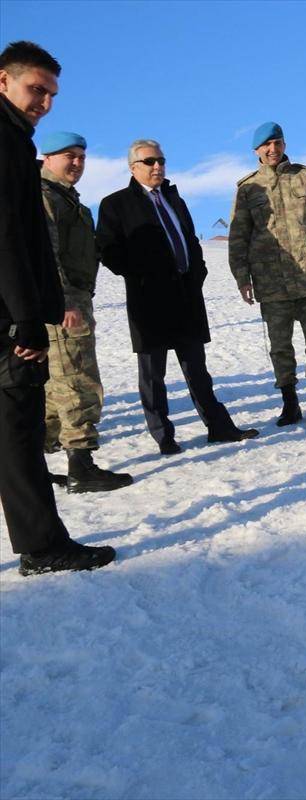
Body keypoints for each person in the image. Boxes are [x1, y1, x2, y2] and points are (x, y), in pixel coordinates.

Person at [0, 40, 115, 575]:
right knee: (18, 431)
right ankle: (43, 546)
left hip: (18, 309)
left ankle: (39, 542)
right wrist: (28, 315)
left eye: (51, 94)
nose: (44, 101)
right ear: (4, 81)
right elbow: (9, 239)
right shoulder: (5, 142)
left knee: (14, 433)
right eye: (35, 89)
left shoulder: (16, 140)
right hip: (8, 319)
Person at [96, 139, 259, 455]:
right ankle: (164, 436)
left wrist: (197, 273)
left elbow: (189, 241)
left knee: (197, 367)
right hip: (149, 301)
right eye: (149, 162)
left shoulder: (175, 199)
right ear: (133, 167)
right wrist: (140, 274)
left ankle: (219, 426)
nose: (157, 166)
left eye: (161, 160)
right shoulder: (115, 204)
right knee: (153, 374)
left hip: (186, 296)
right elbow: (107, 249)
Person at [228, 121, 306, 428]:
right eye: (267, 145)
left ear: (284, 145)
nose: (272, 149)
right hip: (271, 281)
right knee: (280, 347)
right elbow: (239, 236)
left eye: (277, 143)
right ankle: (290, 404)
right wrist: (242, 277)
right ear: (257, 151)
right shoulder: (248, 188)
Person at [40, 130, 133, 492]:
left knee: (52, 388)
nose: (77, 163)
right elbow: (47, 255)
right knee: (78, 382)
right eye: (69, 156)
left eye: (81, 157)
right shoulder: (46, 197)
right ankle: (81, 467)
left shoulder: (68, 199)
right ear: (47, 158)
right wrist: (65, 301)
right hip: (64, 305)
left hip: (72, 300)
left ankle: (34, 462)